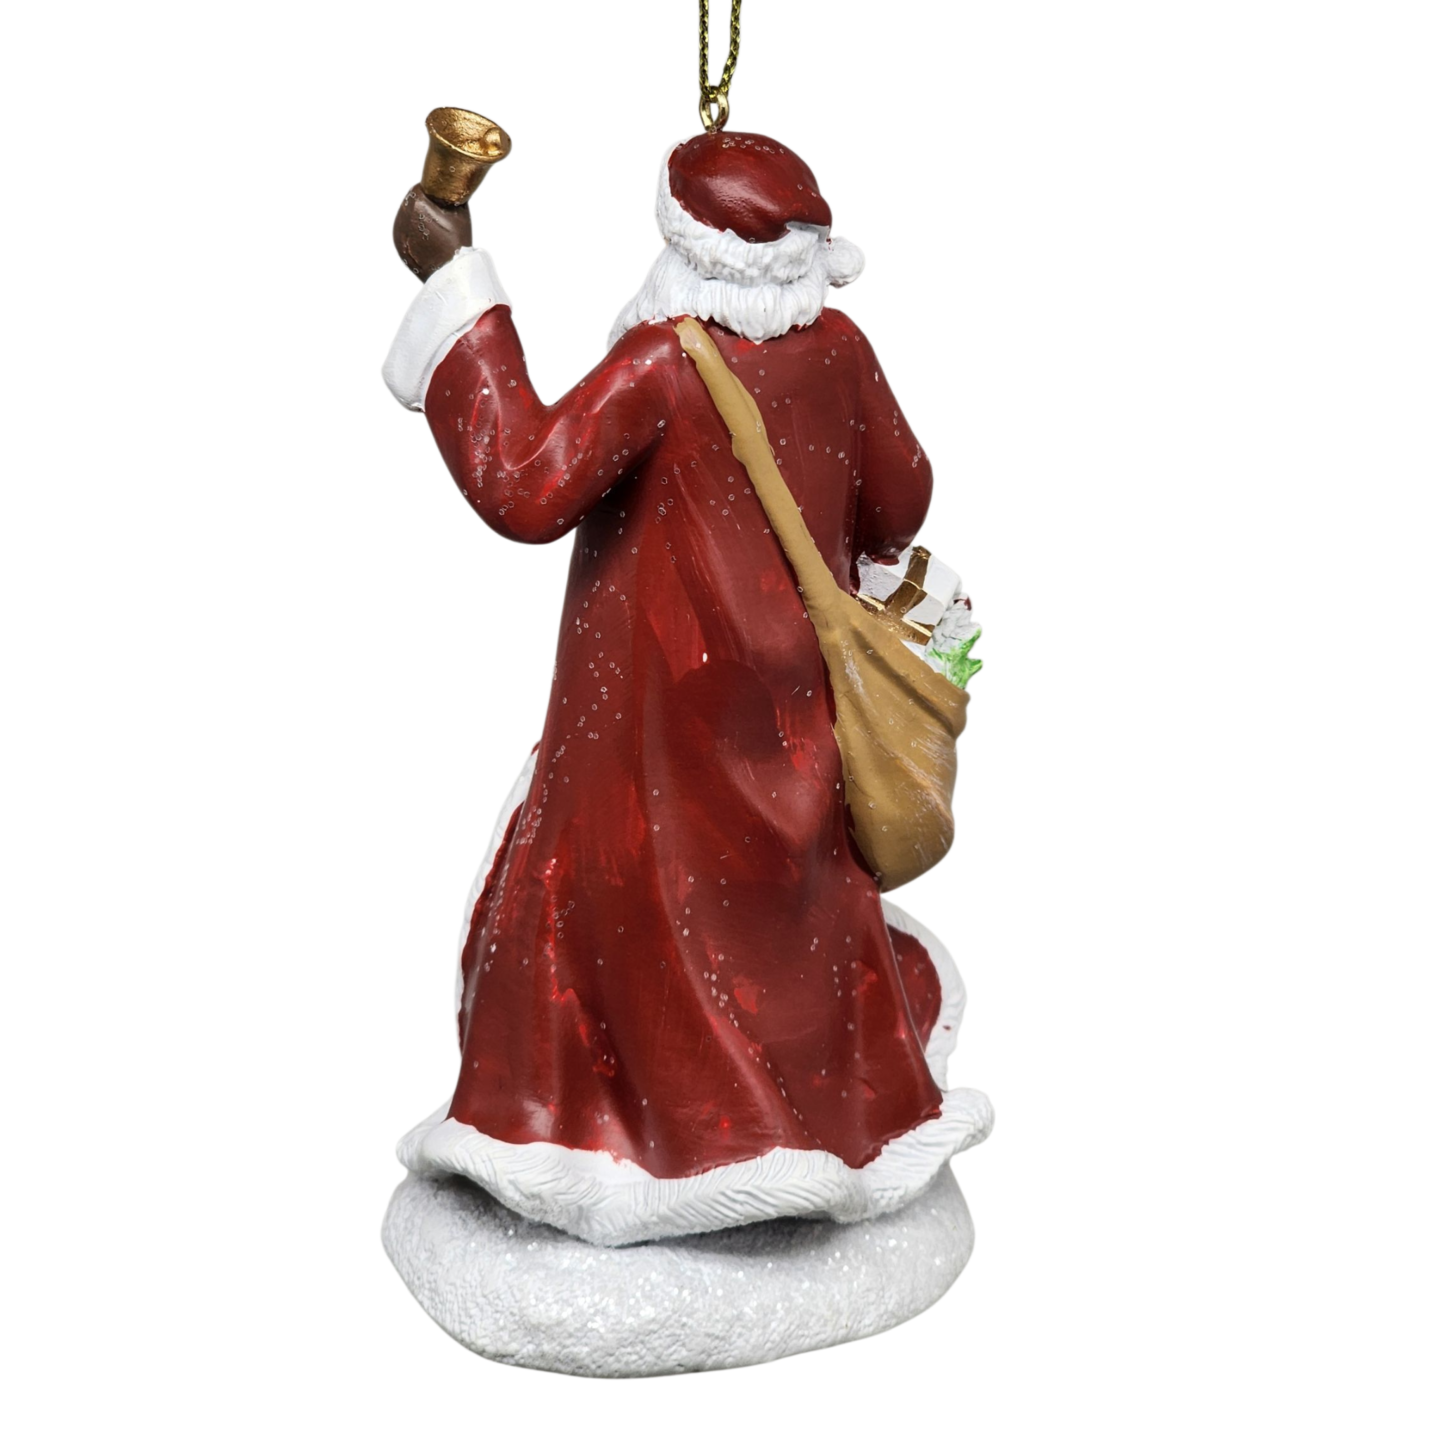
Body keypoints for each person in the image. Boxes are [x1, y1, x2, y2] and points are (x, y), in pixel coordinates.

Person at [380, 129, 993, 1247]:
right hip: (795, 714)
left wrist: (459, 280)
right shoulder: (844, 349)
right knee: (788, 913)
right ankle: (820, 1119)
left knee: (638, 918)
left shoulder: (663, 363)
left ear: (683, 248)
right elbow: (903, 501)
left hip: (651, 730)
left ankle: (673, 1143)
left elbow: (525, 485)